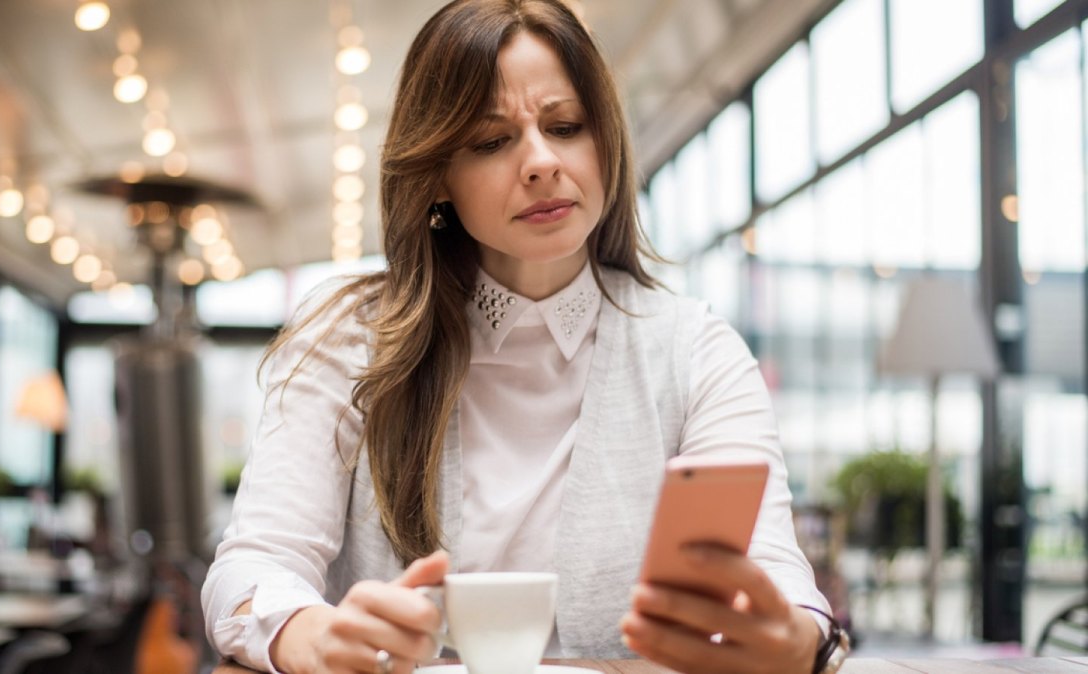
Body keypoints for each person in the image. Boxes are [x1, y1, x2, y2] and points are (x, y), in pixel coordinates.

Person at [202, 1, 839, 673]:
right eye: (490, 140)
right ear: (437, 176)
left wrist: (797, 639)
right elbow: (254, 567)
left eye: (565, 126)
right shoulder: (345, 340)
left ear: (606, 146)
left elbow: (776, 574)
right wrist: (310, 634)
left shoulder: (693, 350)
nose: (540, 161)